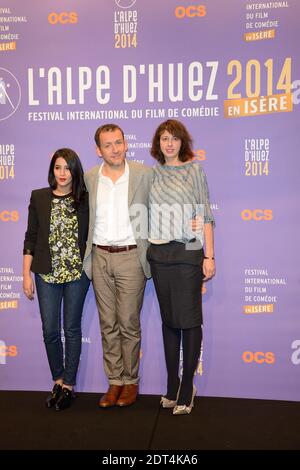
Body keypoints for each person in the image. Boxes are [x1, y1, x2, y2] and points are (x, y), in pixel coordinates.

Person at [147, 119, 215, 415]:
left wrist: (209, 256)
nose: (169, 143)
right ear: (157, 143)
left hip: (188, 251)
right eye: (164, 138)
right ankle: (172, 384)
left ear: (182, 142)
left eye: (174, 138)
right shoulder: (152, 175)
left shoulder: (194, 170)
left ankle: (188, 385)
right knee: (169, 320)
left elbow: (205, 214)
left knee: (188, 319)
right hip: (159, 253)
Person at [84, 124, 151, 407]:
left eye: (119, 142)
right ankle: (114, 382)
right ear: (99, 150)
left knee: (129, 324)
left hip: (130, 257)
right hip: (99, 256)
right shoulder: (89, 178)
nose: (115, 149)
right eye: (108, 145)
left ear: (126, 144)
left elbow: (162, 210)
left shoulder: (143, 174)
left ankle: (131, 382)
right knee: (107, 324)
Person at [23, 148, 90, 411]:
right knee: (50, 330)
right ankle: (58, 380)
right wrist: (25, 274)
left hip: (77, 274)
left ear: (75, 171)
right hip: (46, 274)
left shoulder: (85, 199)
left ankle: (69, 386)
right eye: (58, 168)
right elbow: (30, 236)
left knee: (72, 329)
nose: (62, 174)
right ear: (52, 170)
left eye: (67, 168)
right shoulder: (39, 197)